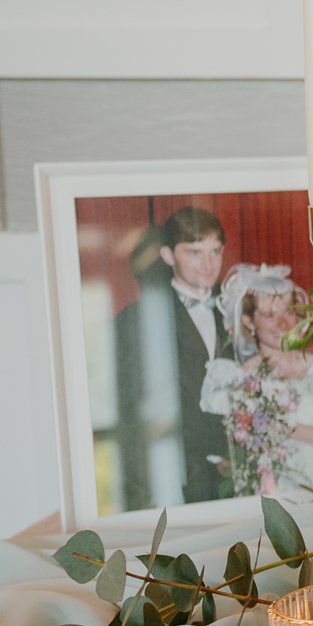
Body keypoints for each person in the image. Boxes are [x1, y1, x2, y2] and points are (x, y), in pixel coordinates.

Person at [112, 206, 232, 506]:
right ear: (168, 256)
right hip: (181, 482)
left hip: (243, 478)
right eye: (194, 252)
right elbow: (134, 413)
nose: (208, 264)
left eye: (215, 251)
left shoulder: (240, 309)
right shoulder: (138, 320)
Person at [199, 264, 313, 501]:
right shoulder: (237, 381)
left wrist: (285, 427)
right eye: (269, 315)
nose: (283, 324)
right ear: (248, 322)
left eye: (288, 312)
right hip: (269, 503)